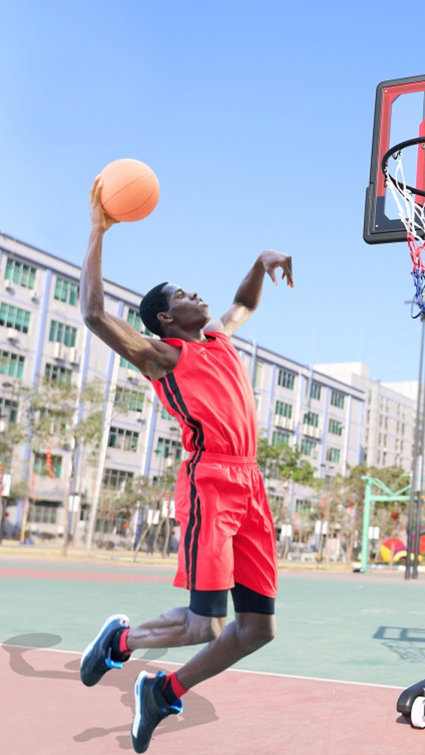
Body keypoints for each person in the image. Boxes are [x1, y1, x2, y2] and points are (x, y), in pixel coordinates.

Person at [79, 177, 293, 753]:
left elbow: (245, 302)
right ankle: (120, 641)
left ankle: (162, 690)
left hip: (251, 484)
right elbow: (95, 314)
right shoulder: (163, 358)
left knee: (257, 630)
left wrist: (258, 262)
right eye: (181, 293)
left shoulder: (219, 337)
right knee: (206, 624)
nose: (194, 294)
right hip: (212, 485)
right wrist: (99, 232)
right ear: (166, 319)